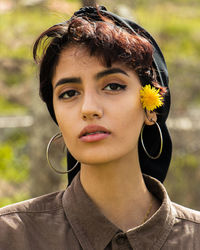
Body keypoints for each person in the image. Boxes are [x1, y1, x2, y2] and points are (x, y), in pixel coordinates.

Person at [0, 5, 200, 250]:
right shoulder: (11, 236)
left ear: (151, 108)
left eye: (113, 86)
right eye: (69, 93)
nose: (88, 108)